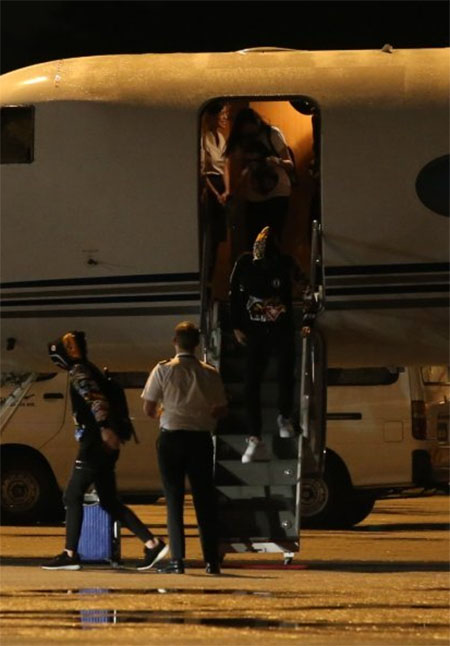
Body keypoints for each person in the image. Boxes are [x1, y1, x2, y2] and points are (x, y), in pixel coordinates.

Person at [42, 331, 168, 571]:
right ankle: (152, 544)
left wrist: (102, 428)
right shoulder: (92, 369)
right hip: (105, 442)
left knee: (72, 495)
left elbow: (95, 400)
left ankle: (70, 554)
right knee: (109, 500)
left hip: (95, 442)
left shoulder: (80, 372)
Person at [142, 321, 228, 575]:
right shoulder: (209, 372)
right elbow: (222, 408)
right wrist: (205, 415)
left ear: (174, 342)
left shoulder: (163, 371)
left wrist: (164, 414)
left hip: (171, 438)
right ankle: (211, 561)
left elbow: (148, 408)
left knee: (173, 499)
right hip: (200, 440)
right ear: (197, 344)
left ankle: (177, 561)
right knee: (204, 501)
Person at [229, 226, 306, 463]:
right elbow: (234, 294)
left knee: (286, 372)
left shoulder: (285, 262)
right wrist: (236, 325)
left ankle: (284, 415)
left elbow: (303, 283)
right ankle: (254, 436)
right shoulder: (244, 263)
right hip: (255, 331)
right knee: (251, 381)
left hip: (280, 328)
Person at [224, 107, 294, 250]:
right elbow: (240, 168)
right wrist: (233, 193)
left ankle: (274, 268)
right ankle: (258, 269)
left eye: (250, 130)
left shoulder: (272, 133)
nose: (250, 134)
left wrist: (276, 161)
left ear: (256, 122)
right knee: (254, 241)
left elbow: (289, 164)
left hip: (277, 191)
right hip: (254, 194)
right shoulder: (242, 140)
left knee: (273, 238)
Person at [200, 101, 229, 279]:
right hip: (209, 185)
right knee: (209, 234)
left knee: (218, 236)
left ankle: (212, 275)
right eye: (222, 114)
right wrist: (216, 193)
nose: (225, 117)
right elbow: (202, 169)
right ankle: (206, 277)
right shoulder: (203, 137)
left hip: (221, 185)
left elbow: (225, 166)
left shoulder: (222, 137)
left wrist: (227, 191)